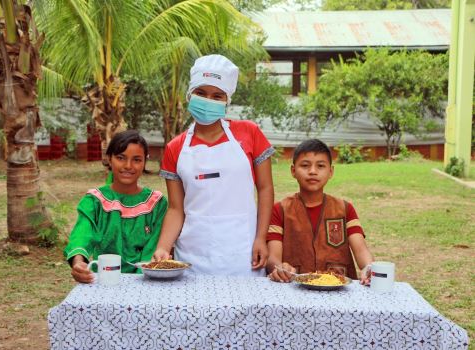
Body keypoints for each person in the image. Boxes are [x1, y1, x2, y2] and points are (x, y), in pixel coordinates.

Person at [153, 54, 274, 276]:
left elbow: (265, 189)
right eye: (201, 93)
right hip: (192, 256)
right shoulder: (175, 148)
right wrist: (163, 246)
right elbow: (175, 209)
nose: (208, 100)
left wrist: (260, 238)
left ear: (227, 100)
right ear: (190, 94)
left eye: (217, 95)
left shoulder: (250, 133)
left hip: (242, 253)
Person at [64, 130, 168, 283]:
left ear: (145, 162)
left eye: (137, 160)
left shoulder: (157, 203)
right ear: (109, 159)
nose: (128, 166)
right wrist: (78, 263)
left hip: (147, 281)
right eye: (120, 158)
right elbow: (81, 235)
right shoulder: (94, 201)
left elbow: (153, 249)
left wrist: (139, 283)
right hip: (104, 281)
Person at [266, 139, 373, 284]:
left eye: (320, 166)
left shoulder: (345, 209)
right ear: (293, 171)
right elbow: (273, 257)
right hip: (294, 290)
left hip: (340, 292)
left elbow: (361, 250)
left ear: (330, 172)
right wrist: (280, 268)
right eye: (305, 165)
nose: (312, 171)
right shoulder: (280, 210)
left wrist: (369, 268)